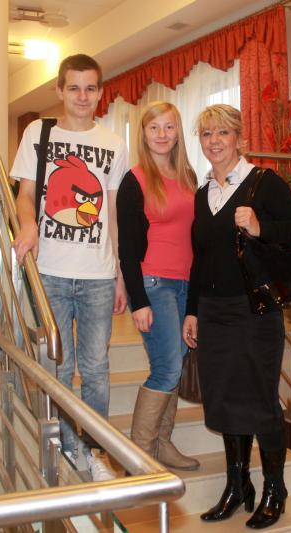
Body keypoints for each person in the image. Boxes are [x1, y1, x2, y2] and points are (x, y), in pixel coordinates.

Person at [182, 104, 291, 529]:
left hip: (254, 310)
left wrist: (260, 227)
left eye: (223, 133)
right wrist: (192, 311)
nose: (214, 141)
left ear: (239, 138)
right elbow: (200, 258)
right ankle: (238, 487)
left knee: (259, 399)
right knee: (223, 398)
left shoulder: (263, 183)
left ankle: (275, 489)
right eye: (207, 134)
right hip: (213, 312)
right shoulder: (203, 194)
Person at [11, 54, 128, 482]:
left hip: (98, 275)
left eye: (90, 88)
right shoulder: (38, 133)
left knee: (96, 369)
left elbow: (113, 212)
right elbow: (25, 194)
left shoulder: (114, 143)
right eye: (74, 87)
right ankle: (67, 447)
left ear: (100, 92)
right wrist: (28, 224)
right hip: (50, 272)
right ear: (60, 90)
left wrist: (120, 274)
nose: (82, 96)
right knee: (58, 368)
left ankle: (95, 451)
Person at [116, 101, 200, 471]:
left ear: (178, 132)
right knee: (166, 367)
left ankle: (162, 443)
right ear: (144, 134)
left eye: (169, 127)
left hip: (186, 283)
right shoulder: (134, 181)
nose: (162, 134)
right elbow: (127, 248)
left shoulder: (189, 178)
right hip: (154, 282)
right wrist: (138, 301)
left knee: (175, 365)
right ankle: (139, 457)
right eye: (154, 128)